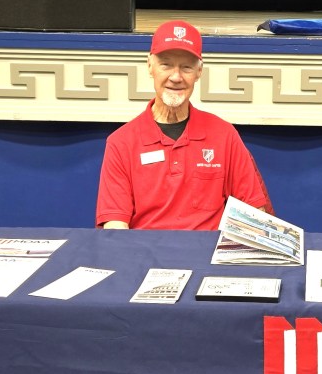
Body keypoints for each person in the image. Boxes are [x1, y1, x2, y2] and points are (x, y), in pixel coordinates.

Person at [95, 19, 269, 230]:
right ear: (150, 66)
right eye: (166, 65)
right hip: (144, 250)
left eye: (186, 67)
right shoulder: (120, 143)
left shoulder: (224, 135)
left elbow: (254, 214)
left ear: (199, 71)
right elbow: (115, 227)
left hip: (207, 250)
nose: (176, 77)